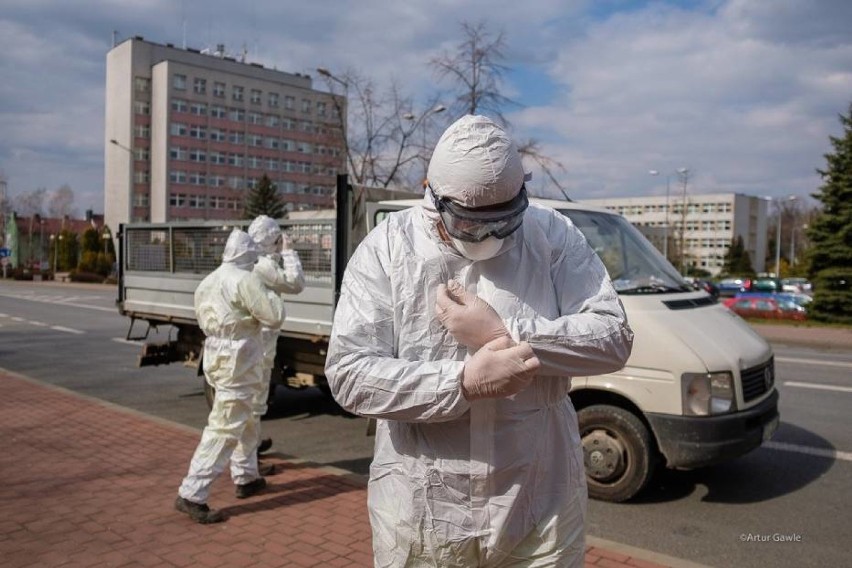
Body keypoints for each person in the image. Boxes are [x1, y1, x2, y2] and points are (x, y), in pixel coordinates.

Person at [325, 115, 633, 567]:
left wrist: (507, 335)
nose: (487, 237)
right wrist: (462, 382)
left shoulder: (550, 235)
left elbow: (612, 335)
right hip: (423, 511)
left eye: (502, 223)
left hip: (538, 504)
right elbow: (350, 374)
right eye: (470, 224)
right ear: (432, 193)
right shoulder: (389, 247)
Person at [175, 228, 286, 524]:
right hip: (240, 360)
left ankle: (247, 475)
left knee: (245, 416)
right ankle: (192, 492)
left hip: (216, 356)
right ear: (248, 254)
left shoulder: (207, 282)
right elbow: (274, 315)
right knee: (225, 426)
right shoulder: (245, 279)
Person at [246, 215, 306, 458]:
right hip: (260, 343)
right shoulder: (263, 266)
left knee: (253, 399)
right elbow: (295, 283)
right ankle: (248, 457)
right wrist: (289, 253)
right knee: (255, 400)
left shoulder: (251, 261)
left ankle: (251, 446)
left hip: (254, 340)